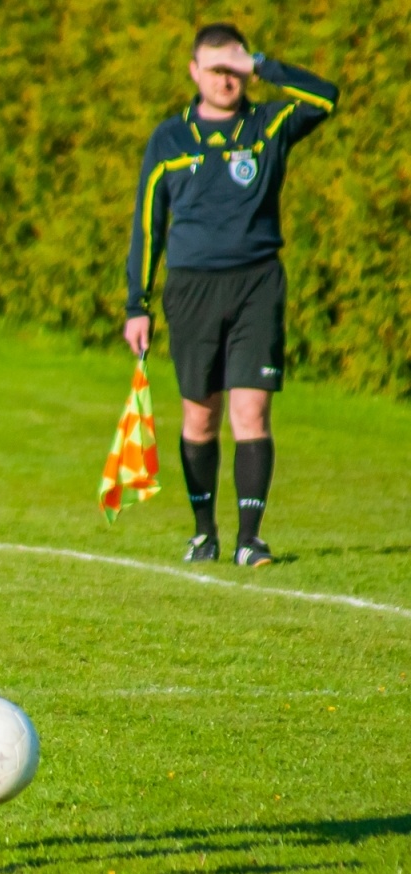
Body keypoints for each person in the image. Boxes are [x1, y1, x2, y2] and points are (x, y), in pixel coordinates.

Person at [124, 23, 338, 567]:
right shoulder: (169, 140)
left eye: (234, 68)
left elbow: (326, 98)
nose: (226, 79)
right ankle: (204, 532)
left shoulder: (268, 124)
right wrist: (137, 305)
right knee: (199, 417)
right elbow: (149, 225)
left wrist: (261, 63)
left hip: (257, 284)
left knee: (253, 413)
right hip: (192, 288)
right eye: (215, 68)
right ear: (194, 72)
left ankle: (250, 539)